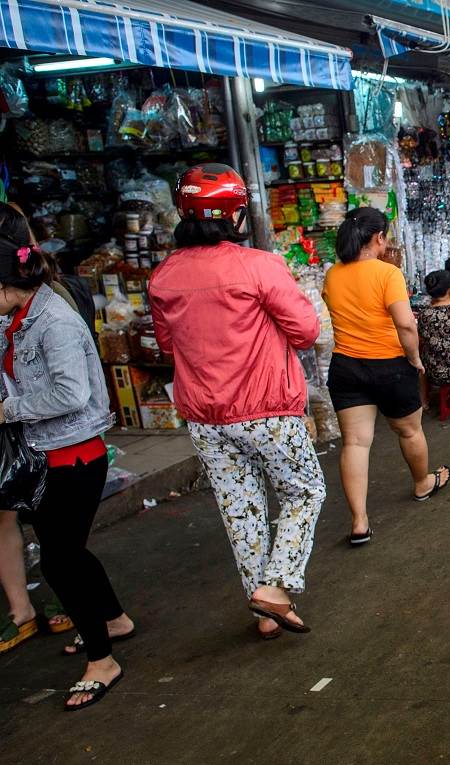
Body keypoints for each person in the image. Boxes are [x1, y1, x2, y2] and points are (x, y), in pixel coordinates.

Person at [150, 163, 326, 640]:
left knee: (240, 508)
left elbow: (168, 346)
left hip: (205, 417)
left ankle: (265, 614)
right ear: (237, 215)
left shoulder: (164, 277)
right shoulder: (259, 265)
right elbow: (306, 332)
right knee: (304, 491)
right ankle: (276, 585)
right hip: (266, 407)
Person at [0, 226, 130, 710]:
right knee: (67, 551)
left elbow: (70, 394)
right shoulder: (17, 316)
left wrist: (6, 412)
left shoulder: (53, 321)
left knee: (59, 560)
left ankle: (102, 660)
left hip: (73, 456)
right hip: (45, 453)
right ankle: (113, 620)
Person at [324, 207, 449, 546]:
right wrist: (415, 359)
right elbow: (406, 324)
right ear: (378, 238)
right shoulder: (387, 273)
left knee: (354, 442)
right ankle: (422, 482)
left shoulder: (332, 275)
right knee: (408, 430)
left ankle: (359, 521)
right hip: (390, 364)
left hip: (346, 367)